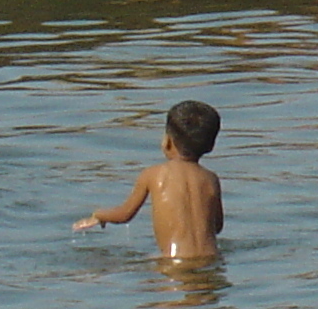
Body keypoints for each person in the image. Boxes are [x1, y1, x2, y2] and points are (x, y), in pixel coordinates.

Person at [72, 99, 225, 262]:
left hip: (173, 263)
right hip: (211, 259)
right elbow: (217, 227)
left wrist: (99, 214)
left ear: (167, 142)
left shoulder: (153, 174)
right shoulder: (211, 179)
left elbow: (124, 214)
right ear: (211, 145)